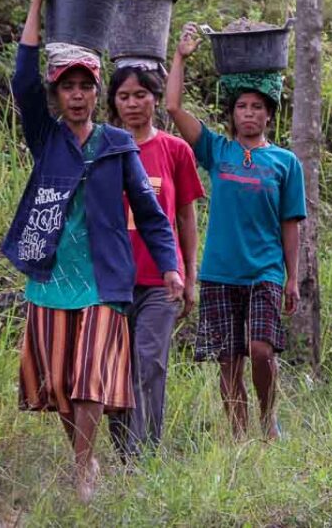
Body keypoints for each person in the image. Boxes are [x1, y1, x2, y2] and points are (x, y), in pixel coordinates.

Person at [3, 0, 183, 501]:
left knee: (89, 377)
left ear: (96, 91)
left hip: (105, 279)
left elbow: (151, 214)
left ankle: (83, 473)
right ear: (58, 94)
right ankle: (87, 459)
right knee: (57, 382)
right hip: (54, 271)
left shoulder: (115, 143)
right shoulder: (47, 137)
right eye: (68, 87)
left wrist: (170, 263)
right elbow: (21, 83)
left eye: (85, 86)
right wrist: (36, 3)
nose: (77, 96)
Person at [165, 23, 306, 440]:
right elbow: (173, 108)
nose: (249, 113)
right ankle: (239, 436)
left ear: (268, 114)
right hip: (219, 273)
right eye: (242, 107)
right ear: (233, 113)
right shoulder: (218, 151)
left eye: (257, 107)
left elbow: (290, 223)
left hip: (265, 270)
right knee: (228, 360)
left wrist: (292, 277)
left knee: (261, 350)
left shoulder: (285, 163)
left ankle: (267, 419)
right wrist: (181, 57)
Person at [106, 64, 205, 459]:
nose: (133, 104)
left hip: (162, 282)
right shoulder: (102, 148)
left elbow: (185, 217)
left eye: (141, 95)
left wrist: (189, 276)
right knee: (114, 367)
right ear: (113, 102)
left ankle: (143, 454)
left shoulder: (175, 150)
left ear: (155, 99)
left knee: (149, 364)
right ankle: (121, 451)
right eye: (124, 96)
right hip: (111, 280)